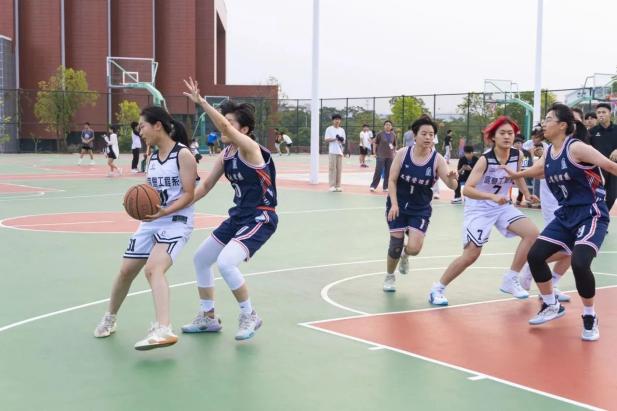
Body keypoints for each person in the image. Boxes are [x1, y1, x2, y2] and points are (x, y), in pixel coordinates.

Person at [504, 103, 617, 341]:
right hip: (566, 215)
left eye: (548, 119)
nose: (544, 123)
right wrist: (517, 175)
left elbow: (609, 166)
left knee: (580, 262)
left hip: (591, 212)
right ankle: (551, 304)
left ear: (563, 125)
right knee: (535, 256)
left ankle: (589, 315)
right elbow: (539, 171)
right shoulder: (550, 152)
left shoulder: (577, 147)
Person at [93, 106, 197, 350]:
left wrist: (165, 211)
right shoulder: (152, 158)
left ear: (157, 125)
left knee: (153, 269)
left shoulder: (183, 155)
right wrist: (136, 204)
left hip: (177, 220)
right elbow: (150, 194)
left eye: (142, 126)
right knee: (126, 271)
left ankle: (163, 328)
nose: (140, 131)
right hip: (152, 220)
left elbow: (189, 194)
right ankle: (110, 317)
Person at [182, 78, 277, 341]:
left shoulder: (251, 149)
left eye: (230, 122)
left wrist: (202, 103)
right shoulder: (226, 155)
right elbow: (206, 186)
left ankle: (250, 315)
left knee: (225, 262)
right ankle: (208, 317)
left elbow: (222, 126)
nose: (223, 125)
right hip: (238, 217)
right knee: (201, 259)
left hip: (260, 217)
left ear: (244, 130)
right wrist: (177, 206)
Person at [428, 116, 539, 306]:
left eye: (510, 133)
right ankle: (437, 289)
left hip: (502, 206)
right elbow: (467, 190)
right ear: (493, 137)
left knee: (532, 234)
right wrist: (491, 197)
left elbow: (517, 175)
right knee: (471, 254)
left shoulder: (517, 155)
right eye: (502, 133)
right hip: (479, 208)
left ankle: (511, 278)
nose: (507, 136)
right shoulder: (484, 160)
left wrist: (527, 194)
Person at [382, 117, 458, 291]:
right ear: (415, 135)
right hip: (398, 204)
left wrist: (453, 179)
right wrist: (394, 204)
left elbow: (452, 186)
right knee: (395, 245)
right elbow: (392, 180)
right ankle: (390, 276)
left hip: (420, 207)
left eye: (431, 134)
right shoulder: (403, 154)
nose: (428, 137)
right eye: (424, 134)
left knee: (415, 248)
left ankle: (405, 255)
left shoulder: (437, 159)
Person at [589, 103, 617, 211]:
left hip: (614, 169)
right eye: (599, 112)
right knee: (597, 196)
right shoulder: (592, 132)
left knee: (612, 196)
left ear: (610, 113)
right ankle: (599, 217)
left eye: (604, 112)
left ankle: (603, 216)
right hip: (597, 170)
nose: (601, 114)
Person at [370, 120, 397, 192]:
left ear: (391, 127)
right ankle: (373, 186)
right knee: (378, 171)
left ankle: (385, 187)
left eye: (389, 125)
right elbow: (375, 143)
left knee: (388, 172)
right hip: (380, 155)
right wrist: (374, 152)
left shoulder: (393, 135)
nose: (388, 126)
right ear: (384, 126)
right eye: (386, 124)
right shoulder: (380, 134)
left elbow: (394, 145)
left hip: (390, 156)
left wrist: (394, 153)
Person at [324, 113, 346, 192]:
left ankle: (338, 185)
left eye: (339, 119)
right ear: (333, 121)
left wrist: (341, 139)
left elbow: (343, 141)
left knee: (339, 169)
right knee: (332, 168)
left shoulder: (342, 130)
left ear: (340, 121)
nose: (337, 121)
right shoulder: (329, 129)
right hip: (332, 151)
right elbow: (326, 139)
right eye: (336, 119)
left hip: (340, 151)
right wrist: (334, 138)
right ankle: (332, 185)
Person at [513, 135, 533, 206]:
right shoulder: (511, 153)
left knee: (526, 184)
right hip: (514, 172)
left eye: (520, 143)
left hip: (525, 171)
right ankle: (517, 199)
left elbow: (530, 161)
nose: (518, 145)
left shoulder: (526, 153)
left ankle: (529, 200)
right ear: (513, 144)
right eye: (516, 143)